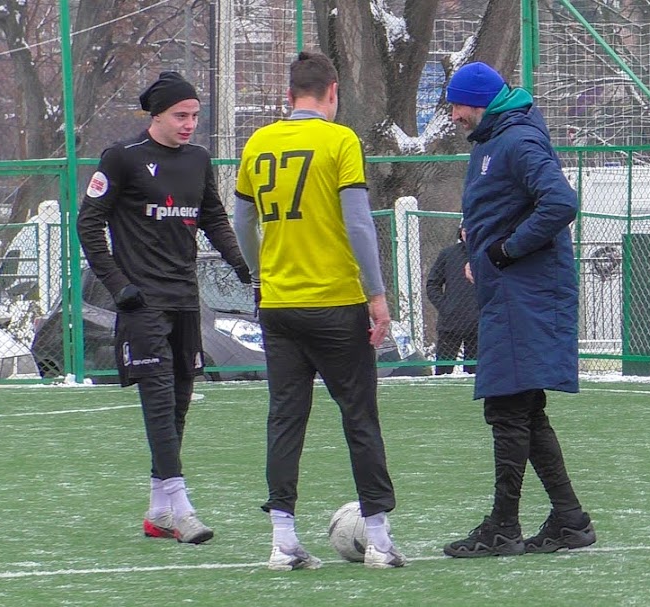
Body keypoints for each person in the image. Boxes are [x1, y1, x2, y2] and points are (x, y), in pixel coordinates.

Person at [232, 51, 404, 570]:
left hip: (279, 306)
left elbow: (242, 224)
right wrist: (377, 294)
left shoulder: (258, 143)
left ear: (289, 96)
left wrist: (261, 274)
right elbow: (357, 224)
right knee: (360, 419)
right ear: (333, 92)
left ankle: (282, 541)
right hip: (335, 303)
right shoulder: (340, 140)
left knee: (285, 419)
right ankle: (378, 539)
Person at [76, 71, 252, 545]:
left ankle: (158, 512)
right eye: (181, 115)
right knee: (156, 397)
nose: (190, 123)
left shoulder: (197, 160)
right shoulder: (122, 159)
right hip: (142, 303)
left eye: (195, 115)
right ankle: (182, 506)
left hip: (185, 300)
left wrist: (241, 265)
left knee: (177, 402)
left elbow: (212, 216)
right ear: (156, 115)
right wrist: (118, 285)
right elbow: (89, 225)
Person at [441, 61, 595, 558]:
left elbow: (560, 203)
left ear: (478, 102)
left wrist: (505, 252)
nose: (454, 115)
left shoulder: (518, 140)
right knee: (524, 411)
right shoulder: (493, 139)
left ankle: (503, 526)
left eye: (458, 105)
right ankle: (569, 521)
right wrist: (480, 253)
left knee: (508, 409)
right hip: (509, 293)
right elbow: (499, 208)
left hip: (526, 295)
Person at [426, 223, 479, 374]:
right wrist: (445, 307)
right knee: (443, 371)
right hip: (450, 324)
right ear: (461, 232)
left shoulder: (485, 254)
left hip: (477, 324)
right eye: (465, 230)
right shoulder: (448, 254)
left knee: (474, 373)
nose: (467, 234)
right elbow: (432, 284)